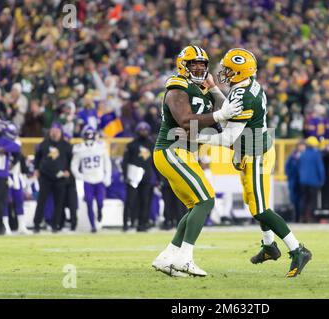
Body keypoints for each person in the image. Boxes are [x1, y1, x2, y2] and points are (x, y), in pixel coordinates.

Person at [179, 48, 312, 278]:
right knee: (254, 203)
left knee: (260, 208)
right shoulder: (246, 86)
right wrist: (214, 90)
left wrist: (197, 136)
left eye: (229, 69)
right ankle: (269, 246)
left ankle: (298, 250)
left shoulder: (243, 95)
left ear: (240, 71)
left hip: (256, 153)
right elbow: (230, 117)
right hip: (249, 150)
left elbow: (229, 136)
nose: (224, 72)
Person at [152, 45, 243, 277]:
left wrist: (214, 89)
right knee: (206, 201)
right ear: (184, 65)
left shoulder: (202, 89)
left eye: (203, 65)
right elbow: (185, 121)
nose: (199, 68)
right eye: (194, 64)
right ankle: (185, 258)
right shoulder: (177, 85)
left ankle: (167, 257)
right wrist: (219, 115)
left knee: (196, 205)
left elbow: (227, 112)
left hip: (185, 153)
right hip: (171, 150)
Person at [33, 122, 73, 233]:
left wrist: (68, 171)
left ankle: (56, 225)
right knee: (41, 201)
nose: (54, 133)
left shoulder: (66, 146)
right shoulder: (44, 144)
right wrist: (36, 169)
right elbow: (37, 157)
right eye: (53, 131)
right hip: (45, 176)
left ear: (61, 132)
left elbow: (71, 161)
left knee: (59, 202)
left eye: (56, 131)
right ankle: (37, 224)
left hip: (60, 178)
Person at [71, 126, 111, 232]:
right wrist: (79, 175)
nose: (89, 139)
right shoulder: (79, 149)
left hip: (99, 178)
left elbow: (107, 163)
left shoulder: (101, 147)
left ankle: (99, 211)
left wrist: (107, 176)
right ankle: (93, 225)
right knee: (88, 202)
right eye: (87, 137)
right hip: (87, 179)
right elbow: (74, 165)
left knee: (100, 202)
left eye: (91, 136)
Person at [122, 121, 155, 232]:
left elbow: (155, 163)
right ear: (137, 131)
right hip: (133, 177)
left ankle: (142, 224)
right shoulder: (131, 145)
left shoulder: (152, 145)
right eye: (141, 130)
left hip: (147, 177)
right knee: (130, 201)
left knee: (145, 201)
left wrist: (158, 178)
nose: (143, 132)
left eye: (145, 130)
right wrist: (126, 175)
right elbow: (125, 162)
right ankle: (126, 223)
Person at [2, 122, 31, 234]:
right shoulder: (2, 143)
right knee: (5, 202)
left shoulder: (17, 144)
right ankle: (6, 226)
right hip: (5, 176)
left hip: (16, 176)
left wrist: (24, 177)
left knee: (19, 200)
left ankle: (21, 226)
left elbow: (19, 159)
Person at [0, 121, 21, 235]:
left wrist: (3, 149)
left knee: (0, 202)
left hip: (1, 176)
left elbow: (16, 146)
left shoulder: (5, 140)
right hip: (0, 175)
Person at [297, 136, 325, 223]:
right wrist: (322, 180)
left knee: (304, 199)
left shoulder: (303, 154)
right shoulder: (316, 154)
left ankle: (302, 217)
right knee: (313, 200)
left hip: (303, 181)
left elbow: (299, 168)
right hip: (314, 181)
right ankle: (311, 217)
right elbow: (320, 168)